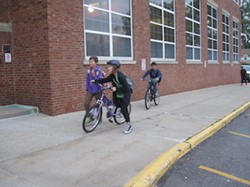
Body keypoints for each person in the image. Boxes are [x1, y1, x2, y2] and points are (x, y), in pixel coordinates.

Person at [92, 60, 132, 134]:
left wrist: (117, 88)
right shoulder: (112, 75)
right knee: (116, 104)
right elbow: (105, 79)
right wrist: (95, 81)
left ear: (115, 67)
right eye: (108, 66)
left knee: (123, 109)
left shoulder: (120, 76)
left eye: (109, 67)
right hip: (118, 94)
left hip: (125, 93)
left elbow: (127, 88)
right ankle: (114, 113)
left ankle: (129, 124)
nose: (108, 68)